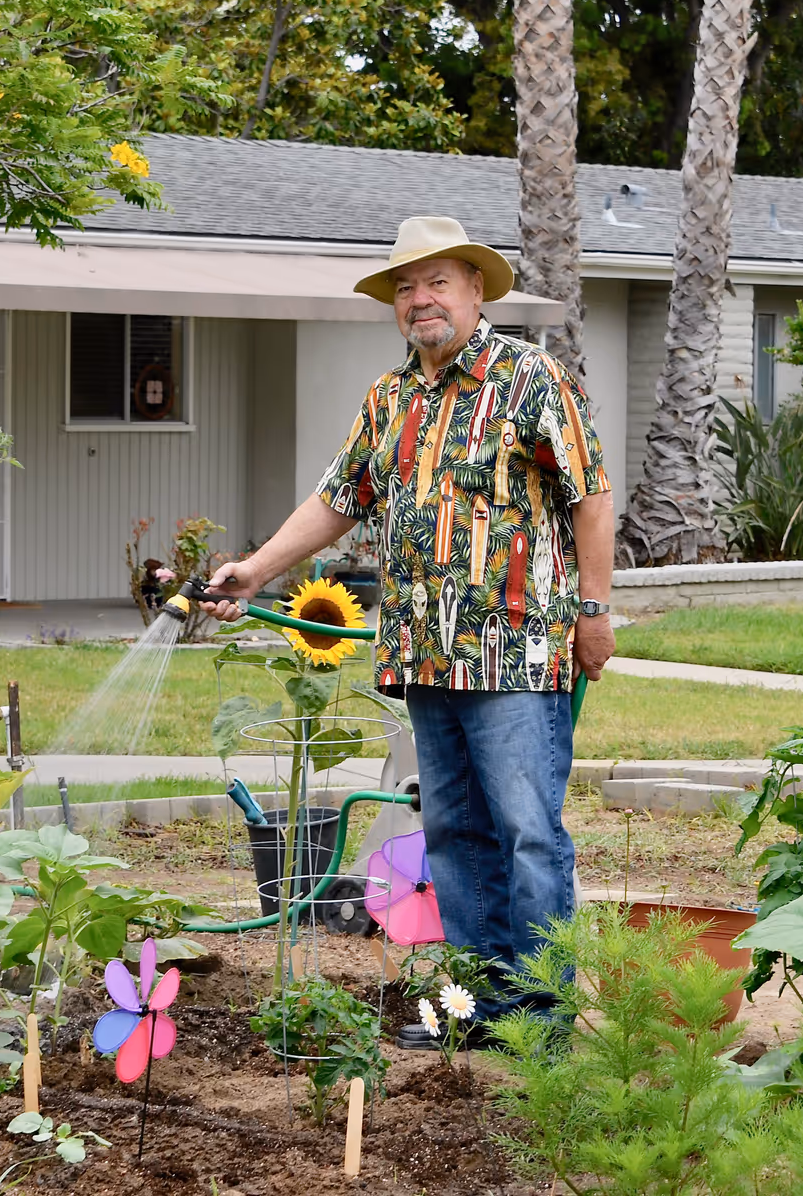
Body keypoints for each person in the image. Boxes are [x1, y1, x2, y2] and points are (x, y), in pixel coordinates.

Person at [199, 216, 615, 1046]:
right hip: (425, 655)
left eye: (437, 282)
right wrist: (258, 567)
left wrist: (594, 612)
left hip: (516, 651)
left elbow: (591, 494)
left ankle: (544, 1017)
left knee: (528, 833)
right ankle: (482, 1009)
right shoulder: (390, 399)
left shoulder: (529, 377)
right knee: (456, 835)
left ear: (473, 290)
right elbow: (337, 499)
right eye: (405, 287)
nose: (419, 299)